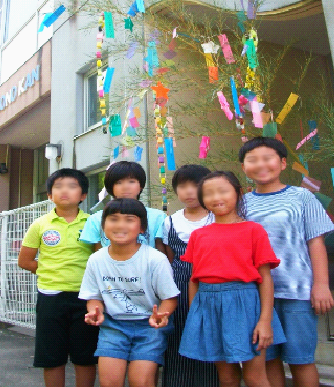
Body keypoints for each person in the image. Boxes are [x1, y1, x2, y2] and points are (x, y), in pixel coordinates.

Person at [240, 137, 334, 387]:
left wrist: (321, 285)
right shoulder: (241, 203)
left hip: (297, 291)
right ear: (243, 167)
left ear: (283, 163)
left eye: (268, 158)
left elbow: (316, 242)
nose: (261, 165)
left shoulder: (302, 196)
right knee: (268, 359)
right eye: (252, 160)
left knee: (301, 359)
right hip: (256, 294)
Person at [179, 171, 286, 387]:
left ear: (238, 193)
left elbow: (265, 278)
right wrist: (195, 316)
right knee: (227, 378)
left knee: (255, 377)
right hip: (209, 307)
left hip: (247, 306)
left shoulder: (254, 230)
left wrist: (265, 320)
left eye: (223, 191)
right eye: (209, 193)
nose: (216, 197)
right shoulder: (198, 235)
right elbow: (194, 279)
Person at [79, 198, 180, 387]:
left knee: (140, 381)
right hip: (113, 325)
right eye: (113, 219)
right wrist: (95, 311)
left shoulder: (155, 259)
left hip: (149, 326)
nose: (120, 225)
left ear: (142, 228)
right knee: (109, 382)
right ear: (103, 226)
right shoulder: (96, 260)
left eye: (129, 220)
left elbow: (170, 298)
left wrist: (161, 315)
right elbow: (93, 296)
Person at [18, 168, 99, 387]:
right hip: (50, 298)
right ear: (49, 195)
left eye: (72, 186)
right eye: (58, 186)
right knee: (52, 357)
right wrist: (49, 270)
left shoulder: (92, 223)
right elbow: (25, 261)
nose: (65, 191)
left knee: (86, 356)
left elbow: (100, 258)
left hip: (86, 298)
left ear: (83, 195)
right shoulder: (40, 224)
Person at [160, 164, 219, 387]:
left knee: (209, 334)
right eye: (183, 186)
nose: (189, 191)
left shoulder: (218, 218)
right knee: (178, 335)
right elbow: (170, 258)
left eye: (195, 185)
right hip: (179, 286)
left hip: (213, 284)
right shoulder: (170, 221)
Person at [79, 161, 165, 252]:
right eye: (118, 182)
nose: (125, 187)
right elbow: (98, 253)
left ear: (141, 186)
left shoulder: (158, 217)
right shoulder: (96, 219)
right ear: (110, 187)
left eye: (131, 182)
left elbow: (161, 252)